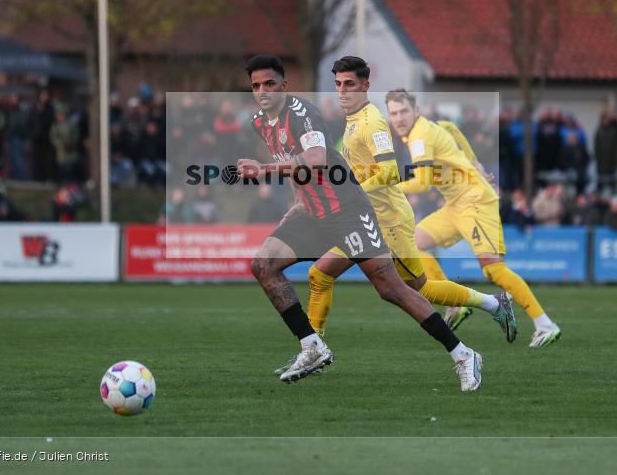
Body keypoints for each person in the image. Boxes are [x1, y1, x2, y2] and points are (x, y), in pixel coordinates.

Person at [237, 55, 482, 390]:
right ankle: (312, 346)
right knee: (263, 264)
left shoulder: (302, 113)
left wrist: (262, 170)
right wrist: (298, 202)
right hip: (314, 212)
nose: (262, 92)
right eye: (255, 86)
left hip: (349, 210)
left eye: (269, 84)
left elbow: (315, 158)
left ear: (284, 85)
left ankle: (463, 354)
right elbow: (293, 164)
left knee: (392, 289)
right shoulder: (261, 122)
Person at [293, 56, 514, 364]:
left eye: (350, 85)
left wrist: (353, 192)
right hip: (365, 221)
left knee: (419, 289)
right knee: (319, 273)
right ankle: (313, 350)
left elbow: (390, 173)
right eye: (338, 85)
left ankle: (493, 303)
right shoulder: (352, 121)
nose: (342, 92)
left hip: (390, 223)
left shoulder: (372, 123)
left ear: (365, 86)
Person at [386, 88, 562, 348]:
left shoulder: (419, 135)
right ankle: (456, 306)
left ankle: (545, 324)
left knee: (493, 269)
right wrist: (474, 162)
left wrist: (388, 188)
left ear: (416, 111)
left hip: (475, 201)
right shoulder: (427, 127)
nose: (399, 117)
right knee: (414, 243)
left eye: (403, 111)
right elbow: (452, 128)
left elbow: (422, 183)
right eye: (393, 113)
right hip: (456, 204)